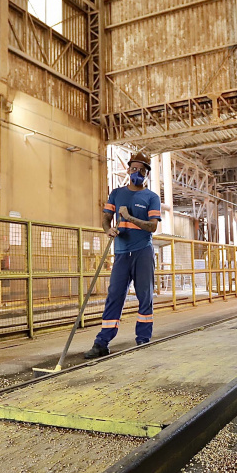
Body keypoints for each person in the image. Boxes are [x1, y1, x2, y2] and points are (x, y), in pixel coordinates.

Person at [84, 152, 162, 359]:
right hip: (121, 252)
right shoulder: (117, 194)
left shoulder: (152, 197)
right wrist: (107, 230)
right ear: (128, 170)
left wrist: (129, 218)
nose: (137, 172)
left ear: (146, 174)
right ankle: (102, 342)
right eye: (134, 168)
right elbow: (106, 218)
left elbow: (152, 227)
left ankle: (143, 339)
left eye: (142, 170)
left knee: (145, 295)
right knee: (115, 295)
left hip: (142, 252)